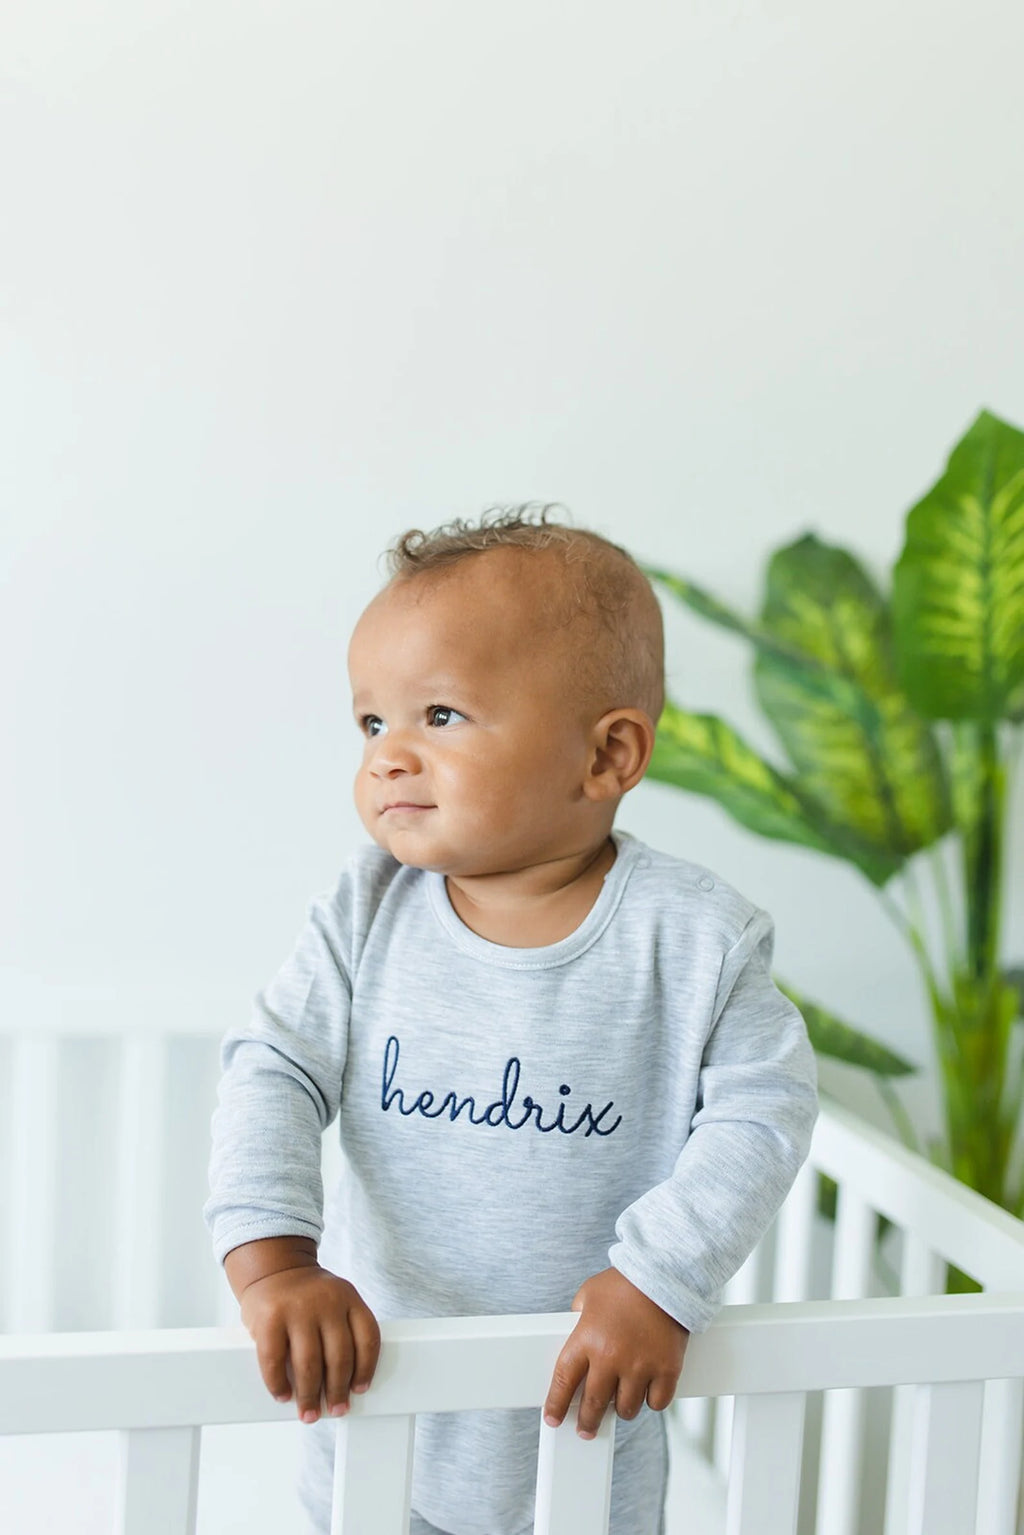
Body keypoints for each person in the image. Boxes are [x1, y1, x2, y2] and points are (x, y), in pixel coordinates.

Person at [204, 507, 819, 1535]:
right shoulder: (365, 914)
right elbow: (273, 1066)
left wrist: (655, 1279)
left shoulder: (693, 939)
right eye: (371, 723)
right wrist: (276, 1259)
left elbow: (763, 1108)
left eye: (439, 714)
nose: (389, 756)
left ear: (605, 754)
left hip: (586, 1418)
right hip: (376, 1415)